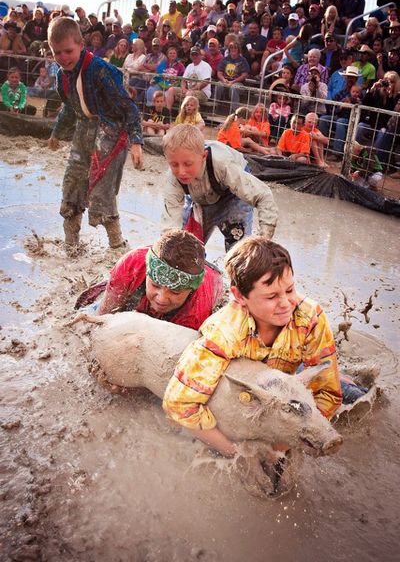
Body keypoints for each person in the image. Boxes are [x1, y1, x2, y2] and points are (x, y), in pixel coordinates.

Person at [162, 237, 342, 458]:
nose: (285, 303)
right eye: (271, 296)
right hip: (250, 399)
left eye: (290, 289)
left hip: (287, 388)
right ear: (240, 296)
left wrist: (281, 445)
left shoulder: (310, 316)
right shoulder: (223, 333)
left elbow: (329, 394)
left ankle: (346, 378)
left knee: (344, 389)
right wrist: (238, 453)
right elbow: (178, 404)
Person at [47, 17, 143, 250]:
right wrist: (57, 134)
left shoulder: (100, 70)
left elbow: (128, 107)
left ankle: (117, 244)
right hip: (84, 130)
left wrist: (136, 142)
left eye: (68, 51)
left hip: (110, 132)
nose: (63, 57)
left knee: (102, 189)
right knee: (72, 183)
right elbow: (70, 107)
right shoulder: (61, 76)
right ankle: (71, 243)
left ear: (81, 44)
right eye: (57, 53)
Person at [161, 124, 278, 251]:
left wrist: (264, 238)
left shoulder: (223, 164)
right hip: (200, 199)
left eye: (188, 164)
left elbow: (263, 195)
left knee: (238, 250)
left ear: (203, 157)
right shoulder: (173, 178)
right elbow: (170, 225)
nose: (181, 172)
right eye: (174, 165)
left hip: (232, 196)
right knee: (186, 247)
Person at [90, 229, 223, 331]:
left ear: (191, 291)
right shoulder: (131, 265)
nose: (162, 299)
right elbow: (102, 317)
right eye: (155, 285)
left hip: (210, 279)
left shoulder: (197, 312)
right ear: (148, 273)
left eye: (175, 292)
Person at [165, 46, 212, 111]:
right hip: (189, 90)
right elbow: (183, 80)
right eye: (193, 54)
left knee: (189, 94)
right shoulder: (189, 66)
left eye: (196, 54)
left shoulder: (205, 66)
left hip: (203, 93)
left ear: (200, 55)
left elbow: (205, 82)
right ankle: (167, 113)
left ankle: (182, 115)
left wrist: (191, 90)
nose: (194, 56)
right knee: (171, 90)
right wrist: (184, 88)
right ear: (190, 56)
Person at [215, 41, 250, 111]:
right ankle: (214, 106)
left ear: (238, 50)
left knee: (234, 88)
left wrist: (234, 81)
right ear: (229, 49)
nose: (233, 49)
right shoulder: (224, 59)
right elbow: (219, 72)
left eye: (235, 48)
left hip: (239, 83)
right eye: (231, 48)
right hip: (225, 81)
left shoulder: (243, 60)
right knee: (218, 85)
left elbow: (244, 75)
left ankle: (235, 111)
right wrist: (223, 80)